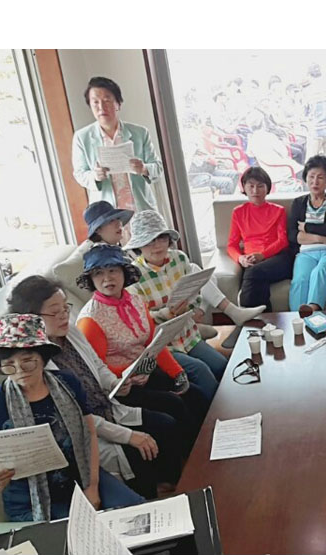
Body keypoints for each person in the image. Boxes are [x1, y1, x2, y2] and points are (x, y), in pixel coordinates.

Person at [7, 276, 186, 499]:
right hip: (86, 431)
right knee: (137, 450)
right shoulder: (33, 365)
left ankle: (174, 482)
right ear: (31, 318)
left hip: (108, 406)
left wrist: (114, 383)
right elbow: (77, 418)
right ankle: (153, 495)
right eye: (55, 312)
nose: (64, 315)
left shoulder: (71, 332)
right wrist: (129, 435)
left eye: (65, 308)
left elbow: (98, 365)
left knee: (166, 422)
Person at [0, 313, 145, 521]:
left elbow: (89, 433)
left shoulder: (67, 383)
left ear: (43, 358)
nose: (20, 371)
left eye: (27, 361)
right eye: (9, 364)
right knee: (83, 529)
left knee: (137, 512)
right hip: (30, 497)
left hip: (79, 476)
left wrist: (92, 486)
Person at [75, 244, 208, 444]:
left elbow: (154, 342)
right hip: (120, 387)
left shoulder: (135, 300)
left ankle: (211, 445)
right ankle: (194, 456)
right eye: (98, 273)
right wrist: (131, 373)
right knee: (174, 404)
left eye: (113, 270)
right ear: (91, 280)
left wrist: (177, 372)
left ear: (124, 272)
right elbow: (97, 370)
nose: (107, 278)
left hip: (146, 370)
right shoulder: (90, 319)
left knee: (196, 394)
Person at [126, 210, 247, 402]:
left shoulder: (179, 258)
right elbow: (139, 320)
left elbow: (195, 292)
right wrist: (166, 313)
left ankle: (238, 404)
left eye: (161, 238)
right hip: (163, 346)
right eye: (149, 241)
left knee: (223, 365)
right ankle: (219, 413)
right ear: (139, 246)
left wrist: (192, 307)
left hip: (189, 335)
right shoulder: (132, 275)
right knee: (202, 372)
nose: (157, 245)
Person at [72, 77, 164, 225]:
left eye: (107, 100)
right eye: (95, 102)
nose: (101, 107)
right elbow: (79, 173)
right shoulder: (82, 137)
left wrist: (143, 168)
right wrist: (95, 176)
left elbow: (157, 167)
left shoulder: (140, 133)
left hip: (140, 208)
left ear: (118, 104)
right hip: (107, 214)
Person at [287, 155, 326, 315]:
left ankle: (313, 309)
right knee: (300, 279)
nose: (315, 182)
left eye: (320, 177)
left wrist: (307, 227)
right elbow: (293, 235)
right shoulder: (298, 203)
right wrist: (323, 239)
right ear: (306, 178)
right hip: (305, 254)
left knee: (320, 271)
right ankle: (297, 318)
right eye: (311, 177)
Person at [227, 167, 293, 310]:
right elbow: (232, 245)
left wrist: (262, 255)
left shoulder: (278, 210)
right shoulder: (238, 212)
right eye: (251, 186)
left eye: (260, 186)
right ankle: (266, 319)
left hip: (278, 258)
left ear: (268, 188)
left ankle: (246, 314)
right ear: (244, 187)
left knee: (253, 273)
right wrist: (240, 259)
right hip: (251, 260)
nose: (255, 191)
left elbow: (282, 241)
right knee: (257, 279)